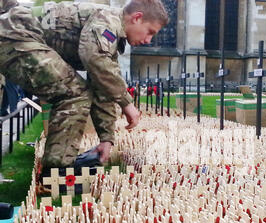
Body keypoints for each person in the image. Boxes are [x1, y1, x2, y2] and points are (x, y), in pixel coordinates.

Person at [0, 0, 168, 174]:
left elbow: (103, 84)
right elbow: (95, 58)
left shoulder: (110, 34)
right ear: (137, 18)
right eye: (150, 32)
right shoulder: (107, 22)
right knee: (75, 95)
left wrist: (106, 139)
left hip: (16, 36)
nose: (148, 40)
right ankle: (58, 172)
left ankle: (58, 168)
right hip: (15, 37)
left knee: (77, 93)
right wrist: (127, 103)